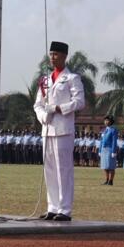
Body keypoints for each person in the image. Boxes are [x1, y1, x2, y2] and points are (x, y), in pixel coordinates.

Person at [34, 41, 85, 221]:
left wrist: (57, 108)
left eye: (55, 54)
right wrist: (43, 116)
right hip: (47, 129)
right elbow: (38, 104)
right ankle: (52, 207)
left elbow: (79, 102)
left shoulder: (72, 78)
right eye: (51, 54)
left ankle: (64, 209)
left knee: (63, 170)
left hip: (63, 129)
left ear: (64, 56)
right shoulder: (45, 80)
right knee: (49, 170)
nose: (52, 57)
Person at [100, 115, 118, 185]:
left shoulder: (113, 130)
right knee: (105, 166)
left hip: (110, 149)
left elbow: (114, 141)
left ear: (111, 122)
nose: (106, 122)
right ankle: (107, 179)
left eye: (108, 120)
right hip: (103, 149)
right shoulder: (104, 130)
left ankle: (111, 180)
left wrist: (113, 151)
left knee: (110, 166)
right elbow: (101, 141)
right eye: (105, 120)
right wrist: (100, 150)